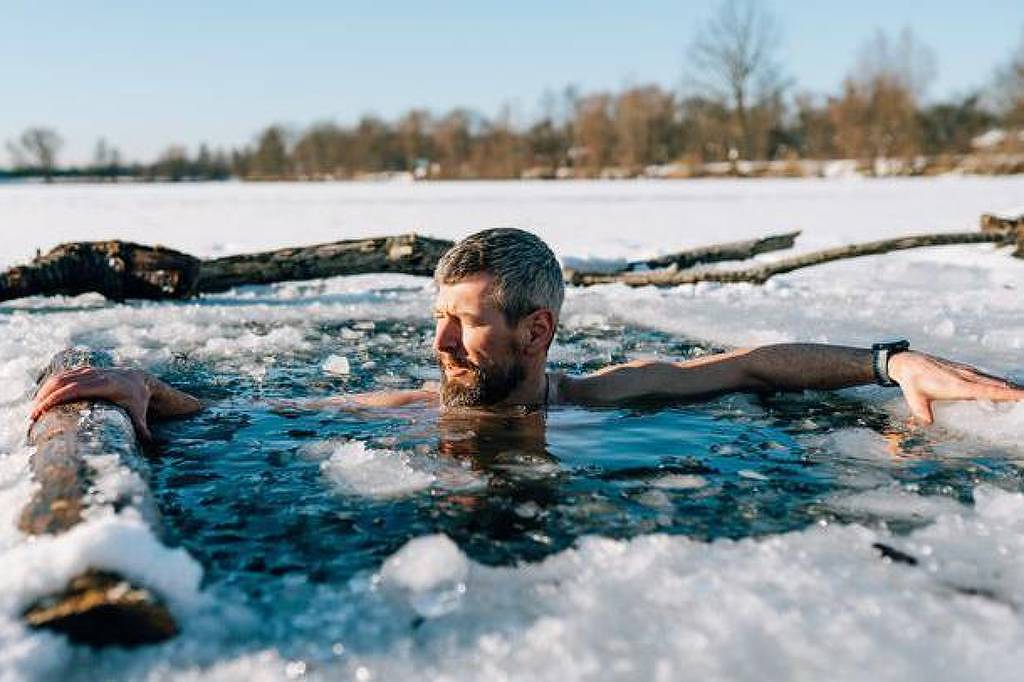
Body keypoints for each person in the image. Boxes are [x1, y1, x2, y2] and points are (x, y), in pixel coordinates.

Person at [31, 228, 1024, 438]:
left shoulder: (600, 396)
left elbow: (751, 364)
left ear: (536, 330)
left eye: (463, 327)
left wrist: (889, 360)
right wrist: (151, 390)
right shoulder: (416, 406)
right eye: (436, 324)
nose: (438, 349)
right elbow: (271, 408)